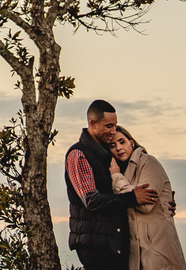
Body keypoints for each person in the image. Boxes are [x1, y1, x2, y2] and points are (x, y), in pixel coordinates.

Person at [65, 100, 158, 270]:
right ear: (93, 124)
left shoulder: (108, 155)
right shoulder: (78, 154)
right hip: (94, 246)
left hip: (116, 244)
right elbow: (91, 200)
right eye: (109, 126)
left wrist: (164, 201)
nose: (113, 131)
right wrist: (132, 198)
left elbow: (132, 183)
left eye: (114, 126)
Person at [108, 125, 186, 270]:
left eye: (122, 142)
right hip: (138, 255)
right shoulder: (122, 172)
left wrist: (116, 177)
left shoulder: (148, 162)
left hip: (159, 252)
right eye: (113, 146)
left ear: (131, 142)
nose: (118, 148)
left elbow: (146, 205)